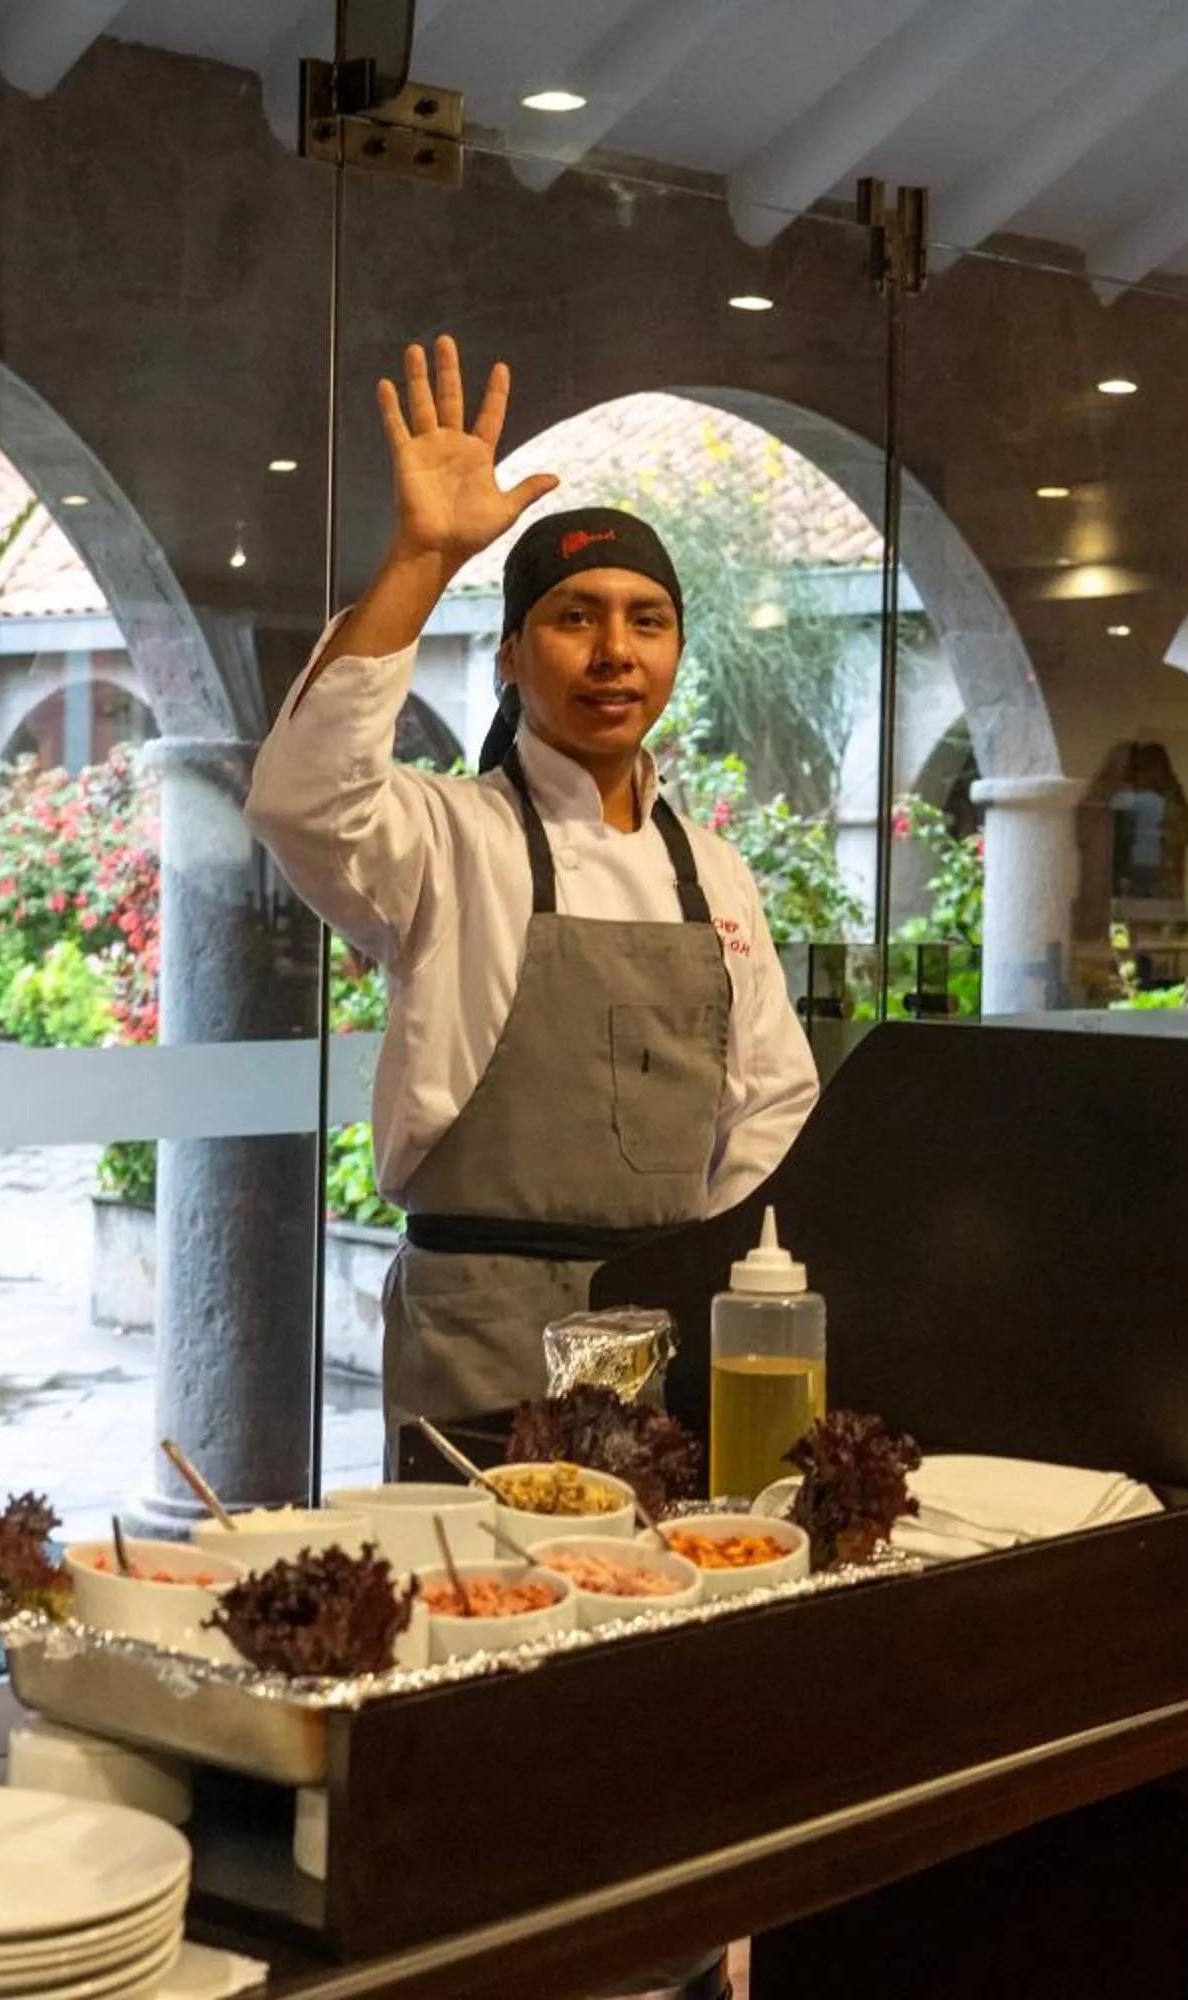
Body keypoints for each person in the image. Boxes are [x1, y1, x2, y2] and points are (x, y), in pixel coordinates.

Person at [246, 335, 819, 1445]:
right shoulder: (445, 833)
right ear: (510, 656)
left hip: (668, 1322)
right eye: (575, 617)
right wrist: (422, 556)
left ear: (677, 652)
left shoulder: (716, 874)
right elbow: (302, 799)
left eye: (646, 620)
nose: (614, 650)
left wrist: (713, 1281)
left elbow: (772, 1109)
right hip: (480, 1327)